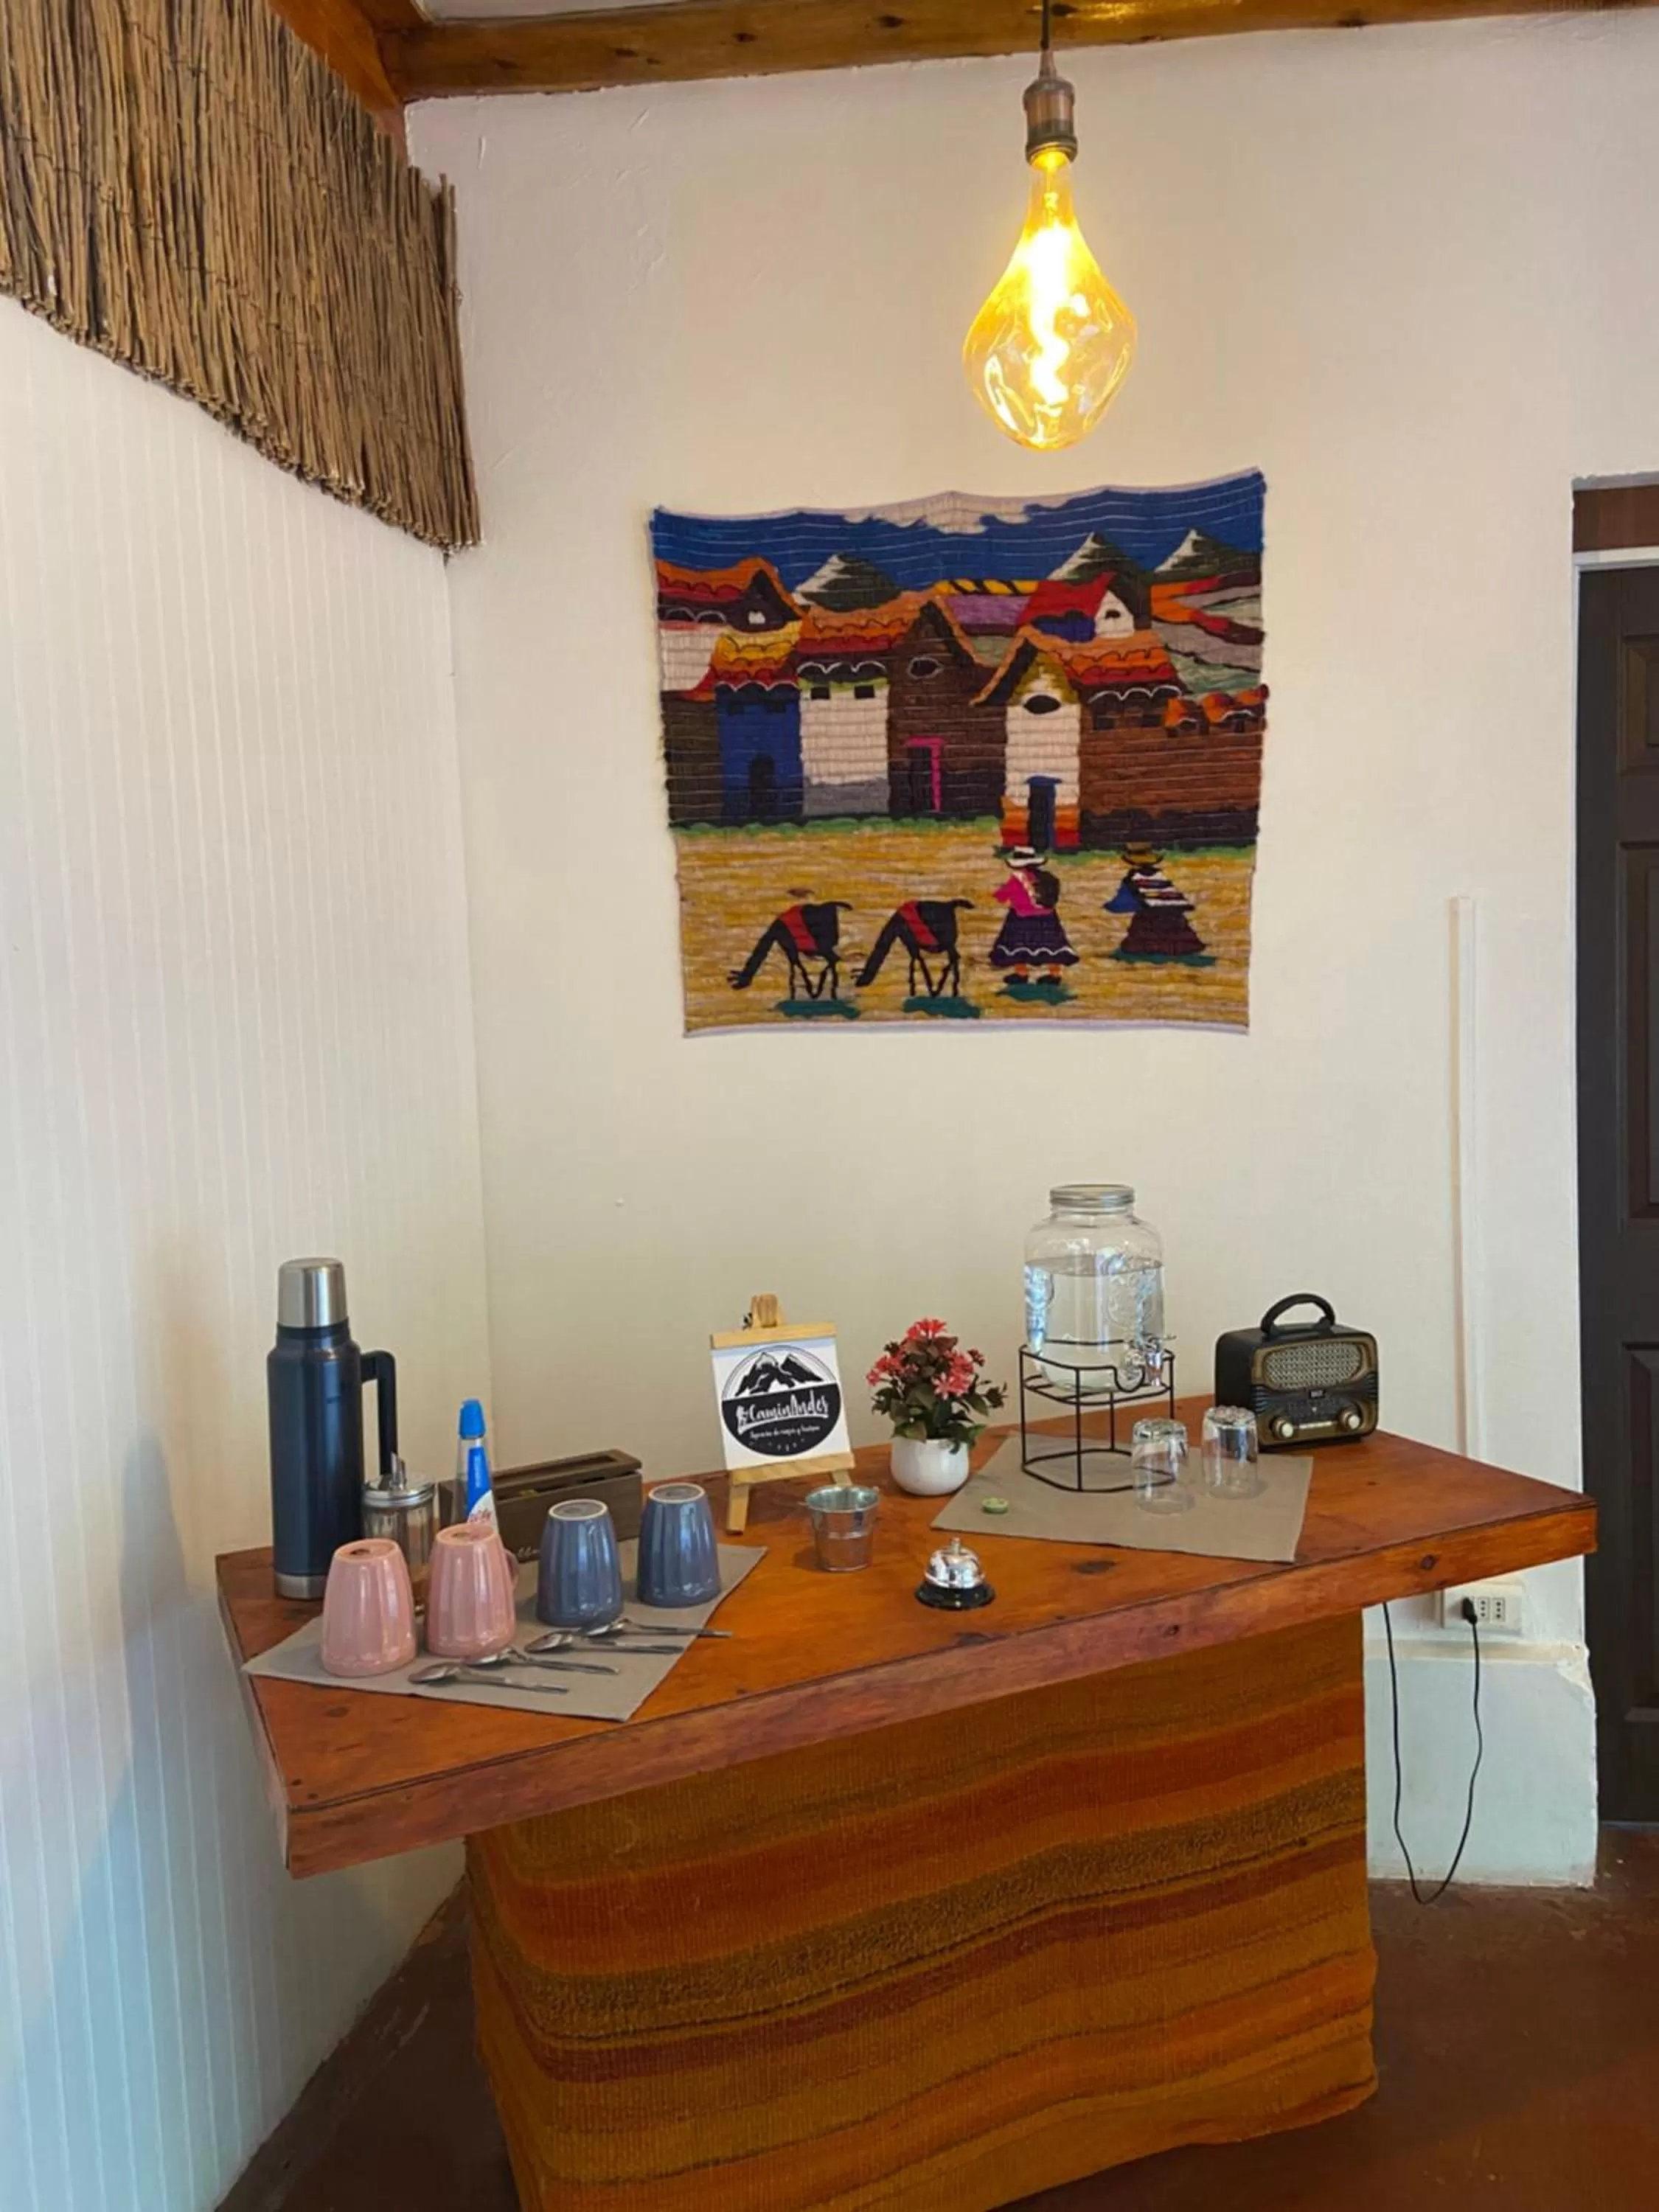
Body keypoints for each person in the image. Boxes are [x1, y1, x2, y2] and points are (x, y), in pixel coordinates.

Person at [989, 846, 1078, 984]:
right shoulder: (1045, 878)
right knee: (1051, 945)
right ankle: (1054, 975)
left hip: (1021, 917)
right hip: (1047, 917)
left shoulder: (1017, 879)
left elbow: (1001, 896)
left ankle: (1022, 973)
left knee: (1017, 945)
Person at [1105, 844, 1207, 959]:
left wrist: (1110, 906)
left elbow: (1125, 900)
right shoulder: (1160, 876)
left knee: (1144, 929)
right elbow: (1170, 895)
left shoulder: (1132, 879)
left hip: (1150, 914)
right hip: (1173, 913)